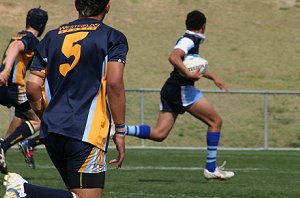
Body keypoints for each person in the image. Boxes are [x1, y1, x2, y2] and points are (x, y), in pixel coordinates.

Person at [3, 0, 127, 197]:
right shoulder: (112, 37)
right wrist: (120, 130)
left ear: (76, 5)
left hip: (53, 130)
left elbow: (33, 87)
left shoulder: (51, 37)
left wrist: (48, 117)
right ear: (107, 6)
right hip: (85, 132)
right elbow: (114, 82)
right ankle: (25, 190)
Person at [125, 10, 234, 180]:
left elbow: (190, 65)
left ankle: (119, 129)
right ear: (204, 26)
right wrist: (189, 75)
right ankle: (211, 169)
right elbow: (174, 57)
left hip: (171, 88)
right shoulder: (188, 40)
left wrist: (213, 78)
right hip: (181, 89)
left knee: (160, 134)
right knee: (216, 121)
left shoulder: (191, 40)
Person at [0, 7, 48, 174]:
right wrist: (6, 71)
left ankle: (2, 147)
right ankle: (3, 146)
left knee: (22, 115)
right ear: (42, 25)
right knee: (38, 121)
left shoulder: (19, 34)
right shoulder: (29, 39)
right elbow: (15, 47)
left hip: (3, 87)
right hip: (13, 87)